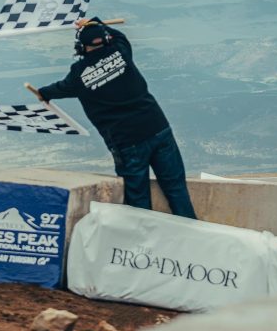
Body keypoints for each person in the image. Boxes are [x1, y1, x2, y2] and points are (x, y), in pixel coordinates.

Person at [32, 17, 197, 218]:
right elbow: (120, 36)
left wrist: (43, 92)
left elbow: (59, 89)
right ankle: (192, 231)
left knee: (138, 201)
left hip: (128, 142)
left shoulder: (79, 74)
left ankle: (144, 244)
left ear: (81, 48)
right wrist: (94, 21)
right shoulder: (121, 51)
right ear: (107, 39)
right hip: (158, 127)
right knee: (176, 188)